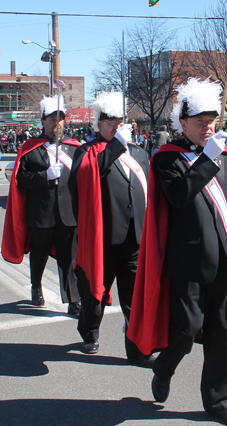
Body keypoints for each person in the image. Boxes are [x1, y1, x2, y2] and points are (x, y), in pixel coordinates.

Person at [127, 78, 227, 426]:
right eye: (199, 122)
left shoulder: (225, 158)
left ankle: (218, 400)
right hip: (187, 262)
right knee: (185, 330)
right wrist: (207, 161)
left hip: (224, 261)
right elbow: (179, 196)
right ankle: (164, 369)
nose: (207, 128)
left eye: (211, 121)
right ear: (182, 123)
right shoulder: (168, 159)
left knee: (222, 336)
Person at [69, 91, 154, 367]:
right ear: (99, 126)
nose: (117, 128)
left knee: (133, 298)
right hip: (103, 239)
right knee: (94, 295)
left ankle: (136, 347)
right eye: (111, 124)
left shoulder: (139, 152)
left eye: (120, 123)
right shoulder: (88, 152)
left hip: (136, 237)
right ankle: (90, 332)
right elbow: (82, 182)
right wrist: (115, 146)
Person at [2, 95, 81, 315]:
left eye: (61, 119)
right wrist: (45, 175)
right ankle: (36, 286)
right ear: (43, 122)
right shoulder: (31, 148)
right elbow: (21, 178)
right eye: (52, 119)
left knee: (69, 258)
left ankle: (73, 299)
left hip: (68, 213)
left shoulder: (74, 148)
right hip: (42, 212)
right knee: (40, 253)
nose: (57, 123)